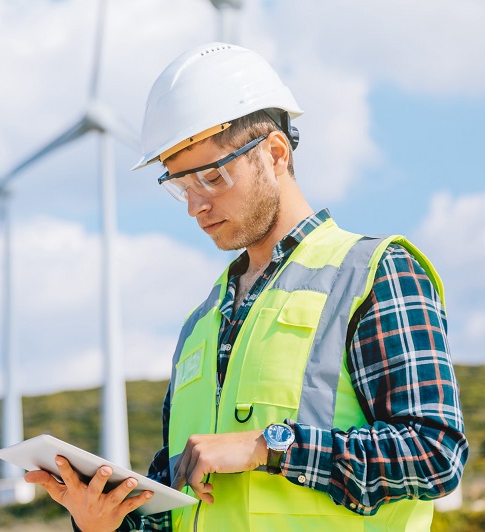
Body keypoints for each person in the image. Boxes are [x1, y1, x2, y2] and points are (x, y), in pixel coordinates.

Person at [25, 42, 468, 531]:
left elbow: (435, 454)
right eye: (180, 185)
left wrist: (269, 447)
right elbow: (185, 506)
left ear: (275, 153)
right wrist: (103, 521)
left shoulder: (374, 273)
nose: (196, 206)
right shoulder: (201, 323)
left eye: (212, 177)